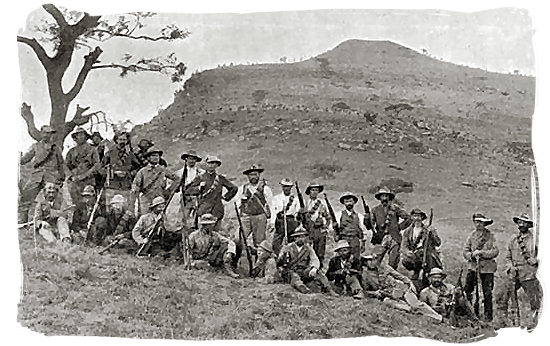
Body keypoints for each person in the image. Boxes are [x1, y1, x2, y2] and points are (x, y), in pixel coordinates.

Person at [362, 254, 442, 322]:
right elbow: (366, 291)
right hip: (388, 294)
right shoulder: (365, 276)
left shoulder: (385, 268)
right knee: (388, 302)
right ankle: (409, 309)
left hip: (402, 289)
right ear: (365, 262)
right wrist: (375, 293)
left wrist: (410, 285)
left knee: (416, 305)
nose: (372, 262)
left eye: (374, 260)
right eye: (369, 260)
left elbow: (402, 277)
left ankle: (438, 317)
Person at [495, 213, 541, 329]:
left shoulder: (534, 240)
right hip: (514, 273)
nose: (521, 225)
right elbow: (508, 257)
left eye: (524, 222)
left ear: (528, 225)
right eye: (519, 222)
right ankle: (504, 320)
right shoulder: (513, 239)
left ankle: (535, 322)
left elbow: (543, 255)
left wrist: (535, 260)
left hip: (528, 273)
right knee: (502, 295)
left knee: (534, 300)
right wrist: (510, 266)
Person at [19, 125, 65, 223]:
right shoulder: (35, 146)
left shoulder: (56, 148)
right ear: (41, 133)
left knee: (53, 198)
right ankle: (23, 223)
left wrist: (62, 177)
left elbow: (61, 163)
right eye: (45, 133)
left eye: (49, 133)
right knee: (26, 196)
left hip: (51, 176)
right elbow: (25, 159)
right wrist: (18, 158)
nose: (47, 135)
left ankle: (52, 222)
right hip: (37, 175)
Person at [276, 227, 339, 296]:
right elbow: (279, 262)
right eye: (298, 237)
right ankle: (304, 289)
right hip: (290, 271)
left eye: (302, 237)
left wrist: (314, 268)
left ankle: (329, 289)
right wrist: (283, 254)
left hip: (303, 271)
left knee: (319, 273)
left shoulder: (308, 248)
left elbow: (315, 259)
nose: (300, 239)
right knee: (294, 276)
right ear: (294, 238)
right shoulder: (288, 247)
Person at [185, 155, 238, 230]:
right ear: (206, 164)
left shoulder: (220, 178)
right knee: (202, 233)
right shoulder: (200, 177)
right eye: (209, 163)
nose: (211, 165)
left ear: (217, 165)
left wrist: (225, 197)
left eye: (214, 163)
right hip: (203, 209)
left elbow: (234, 188)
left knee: (216, 234)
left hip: (216, 210)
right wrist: (198, 188)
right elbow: (187, 190)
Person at [463, 213, 499, 322]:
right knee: (468, 291)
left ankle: (488, 318)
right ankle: (469, 313)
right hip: (473, 268)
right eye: (476, 222)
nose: (478, 224)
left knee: (487, 293)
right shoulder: (472, 236)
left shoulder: (490, 236)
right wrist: (471, 255)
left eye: (480, 222)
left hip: (487, 269)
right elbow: (465, 251)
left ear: (484, 224)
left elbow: (495, 251)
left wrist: (482, 253)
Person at [188, 213, 240, 278]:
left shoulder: (215, 235)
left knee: (225, 247)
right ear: (204, 225)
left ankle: (229, 270)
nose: (212, 226)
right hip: (198, 260)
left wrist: (230, 252)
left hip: (210, 258)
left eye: (212, 224)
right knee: (205, 266)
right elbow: (188, 251)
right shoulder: (194, 236)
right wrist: (191, 263)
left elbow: (229, 242)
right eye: (210, 225)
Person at [370, 187, 411, 269]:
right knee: (375, 259)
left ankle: (391, 279)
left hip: (394, 237)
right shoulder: (375, 210)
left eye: (386, 196)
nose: (384, 198)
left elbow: (408, 218)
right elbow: (370, 224)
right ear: (379, 198)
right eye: (382, 196)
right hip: (381, 237)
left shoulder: (395, 208)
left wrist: (399, 227)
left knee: (393, 261)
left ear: (389, 197)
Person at [401, 208, 442, 289]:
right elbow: (403, 246)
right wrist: (407, 252)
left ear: (422, 218)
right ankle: (415, 281)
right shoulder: (407, 231)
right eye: (415, 216)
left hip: (428, 255)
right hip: (415, 256)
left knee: (428, 275)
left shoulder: (427, 229)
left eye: (419, 216)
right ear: (412, 217)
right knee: (406, 262)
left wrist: (432, 233)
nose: (416, 218)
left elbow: (438, 243)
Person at [131, 146, 179, 216]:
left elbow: (177, 179)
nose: (156, 157)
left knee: (159, 220)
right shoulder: (142, 171)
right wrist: (133, 203)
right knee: (145, 220)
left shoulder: (163, 170)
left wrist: (169, 191)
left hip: (159, 199)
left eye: (157, 155)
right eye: (153, 155)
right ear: (148, 158)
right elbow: (135, 187)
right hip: (146, 201)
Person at [236, 164, 273, 250]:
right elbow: (237, 203)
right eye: (251, 175)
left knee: (260, 243)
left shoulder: (265, 189)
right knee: (239, 238)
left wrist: (271, 221)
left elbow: (271, 204)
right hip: (246, 217)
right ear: (248, 176)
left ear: (259, 175)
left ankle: (259, 261)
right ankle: (237, 260)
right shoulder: (243, 188)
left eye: (255, 174)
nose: (253, 177)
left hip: (260, 217)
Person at [101, 132, 140, 212]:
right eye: (120, 139)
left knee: (126, 209)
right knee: (110, 210)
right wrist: (112, 172)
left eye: (124, 140)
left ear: (127, 141)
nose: (122, 141)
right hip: (112, 186)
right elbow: (101, 169)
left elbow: (138, 168)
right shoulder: (110, 154)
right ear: (116, 140)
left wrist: (130, 173)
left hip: (126, 186)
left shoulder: (130, 155)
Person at [65, 127, 100, 205]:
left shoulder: (92, 150)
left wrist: (84, 175)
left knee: (89, 203)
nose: (80, 137)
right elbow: (65, 166)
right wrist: (71, 176)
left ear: (86, 136)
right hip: (75, 182)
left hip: (88, 181)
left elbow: (97, 165)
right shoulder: (71, 151)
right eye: (78, 135)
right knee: (76, 204)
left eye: (82, 135)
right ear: (75, 137)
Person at [332, 192, 370, 260]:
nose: (349, 203)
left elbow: (364, 230)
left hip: (355, 241)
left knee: (356, 260)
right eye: (346, 201)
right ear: (344, 203)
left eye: (350, 201)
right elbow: (334, 230)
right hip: (343, 240)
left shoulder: (359, 216)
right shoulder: (338, 215)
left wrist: (363, 244)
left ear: (354, 202)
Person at [270, 178, 301, 255]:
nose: (286, 188)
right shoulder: (276, 198)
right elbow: (273, 212)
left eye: (288, 187)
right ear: (282, 187)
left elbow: (297, 212)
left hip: (291, 222)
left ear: (291, 187)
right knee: (276, 243)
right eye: (285, 186)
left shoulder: (296, 199)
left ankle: (291, 259)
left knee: (292, 242)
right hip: (280, 221)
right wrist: (272, 223)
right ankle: (277, 259)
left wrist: (298, 224)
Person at [304, 182, 329, 268]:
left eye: (316, 190)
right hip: (309, 229)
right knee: (309, 249)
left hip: (319, 229)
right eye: (313, 190)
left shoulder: (322, 203)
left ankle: (319, 268)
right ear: (309, 191)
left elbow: (327, 217)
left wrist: (325, 226)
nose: (314, 192)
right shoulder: (305, 203)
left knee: (320, 250)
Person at [177, 150, 204, 231]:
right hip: (185, 198)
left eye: (194, 159)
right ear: (186, 159)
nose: (192, 161)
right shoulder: (180, 173)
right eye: (190, 158)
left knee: (197, 218)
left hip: (197, 197)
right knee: (183, 218)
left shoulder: (201, 173)